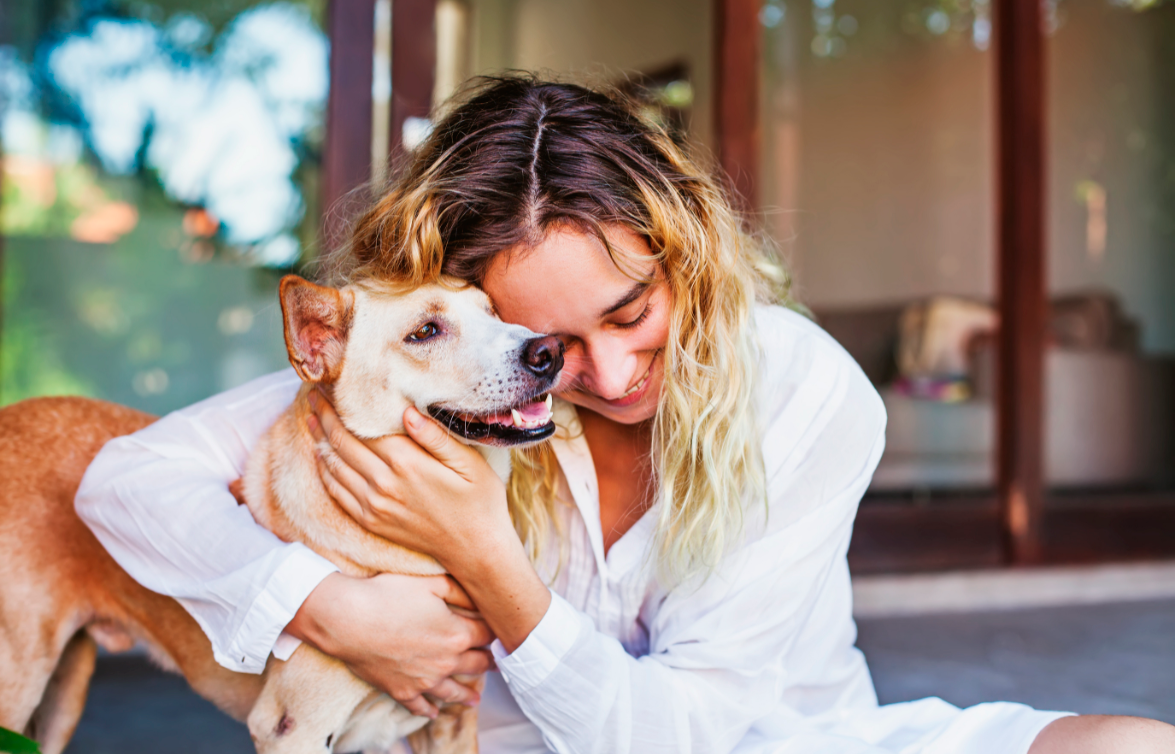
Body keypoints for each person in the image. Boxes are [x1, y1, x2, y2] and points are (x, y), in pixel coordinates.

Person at [76, 76, 1174, 754]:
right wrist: (328, 607)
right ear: (474, 318)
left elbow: (676, 736)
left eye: (631, 311)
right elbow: (122, 483)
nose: (607, 375)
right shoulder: (439, 374)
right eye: (545, 347)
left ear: (681, 250)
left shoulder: (800, 386)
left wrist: (483, 554)